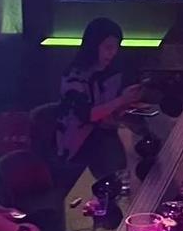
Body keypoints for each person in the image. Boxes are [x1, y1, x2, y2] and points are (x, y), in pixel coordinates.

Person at [54, 16, 145, 185]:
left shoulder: (110, 73)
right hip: (78, 144)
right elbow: (87, 115)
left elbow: (109, 110)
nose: (113, 53)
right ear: (93, 46)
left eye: (116, 47)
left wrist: (127, 101)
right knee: (117, 160)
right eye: (108, 47)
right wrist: (121, 100)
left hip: (105, 134)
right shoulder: (74, 76)